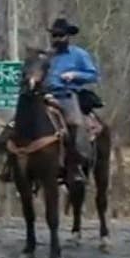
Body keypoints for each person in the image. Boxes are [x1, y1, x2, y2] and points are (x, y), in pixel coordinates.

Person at [46, 17, 100, 183]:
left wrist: (75, 75)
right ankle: (13, 165)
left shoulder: (79, 55)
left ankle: (75, 165)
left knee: (74, 124)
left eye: (60, 36)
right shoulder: (46, 56)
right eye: (54, 36)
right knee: (18, 121)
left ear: (68, 37)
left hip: (66, 95)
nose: (56, 39)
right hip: (44, 95)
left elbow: (93, 75)